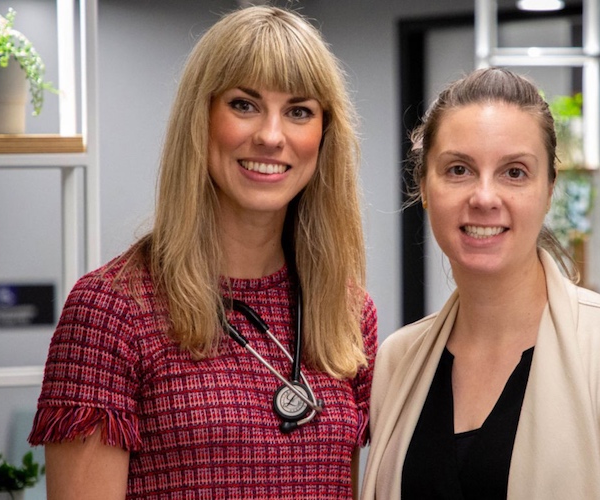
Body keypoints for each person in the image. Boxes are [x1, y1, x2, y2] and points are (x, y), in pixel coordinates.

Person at [28, 6, 377, 499]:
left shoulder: (347, 313)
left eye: (299, 111)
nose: (272, 136)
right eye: (244, 105)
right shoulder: (110, 310)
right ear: (201, 118)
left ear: (324, 136)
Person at [361, 67, 600, 499]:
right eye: (458, 169)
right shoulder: (398, 362)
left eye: (515, 172)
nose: (485, 197)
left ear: (548, 191)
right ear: (425, 187)